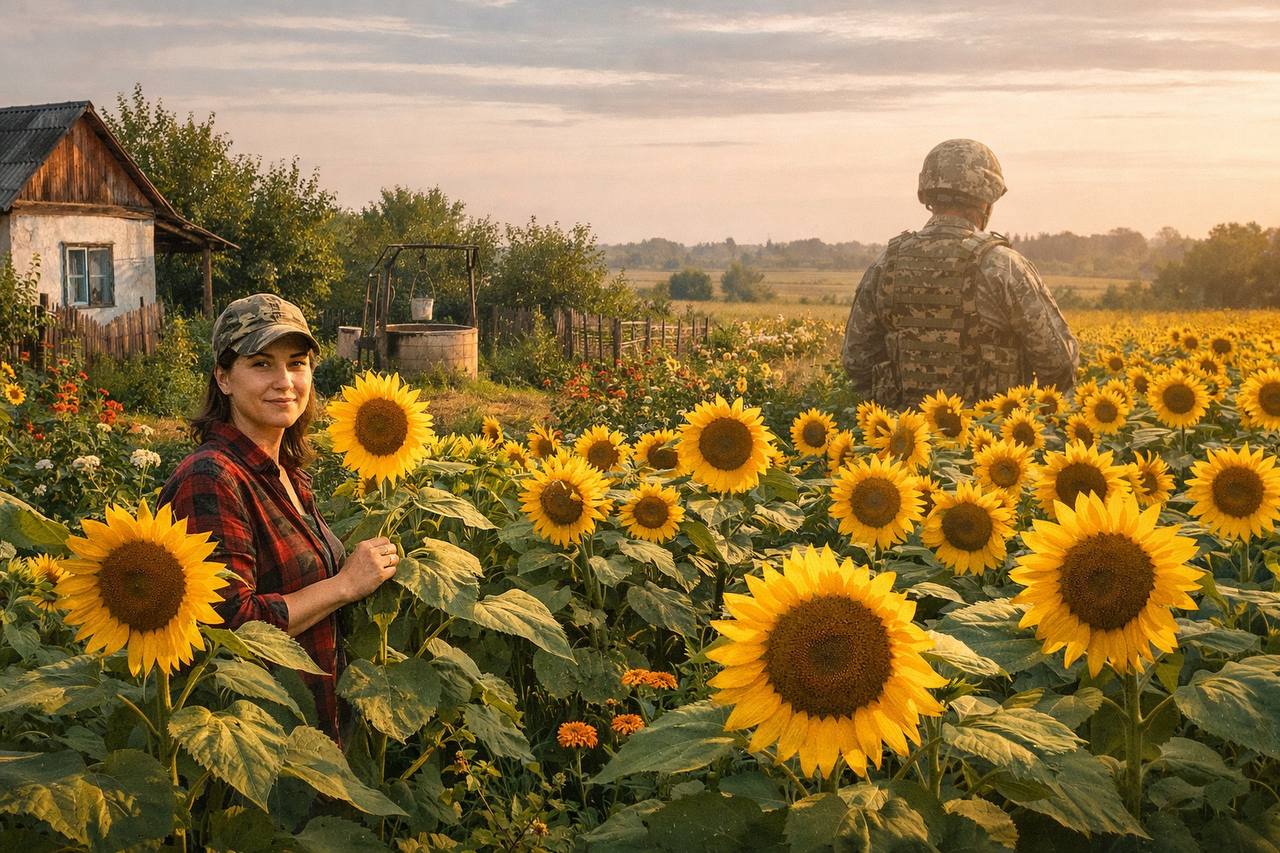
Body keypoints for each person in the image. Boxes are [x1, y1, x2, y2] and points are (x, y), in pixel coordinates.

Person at [160, 293, 397, 742]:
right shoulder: (212, 478)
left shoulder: (285, 473)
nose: (285, 380)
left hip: (311, 725)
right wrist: (345, 585)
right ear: (223, 377)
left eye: (297, 362)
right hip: (261, 737)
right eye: (262, 364)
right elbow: (231, 626)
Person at [842, 139, 1079, 410]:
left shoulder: (886, 264)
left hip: (904, 441)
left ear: (928, 194)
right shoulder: (1003, 267)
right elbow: (1058, 362)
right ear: (987, 199)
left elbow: (856, 360)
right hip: (992, 443)